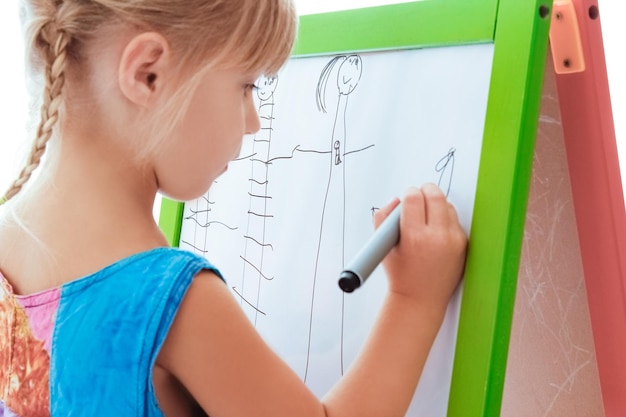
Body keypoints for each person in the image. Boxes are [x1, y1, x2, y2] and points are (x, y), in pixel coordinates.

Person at [0, 0, 467, 416]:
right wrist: (414, 300)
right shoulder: (173, 300)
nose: (253, 122)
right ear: (148, 73)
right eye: (247, 86)